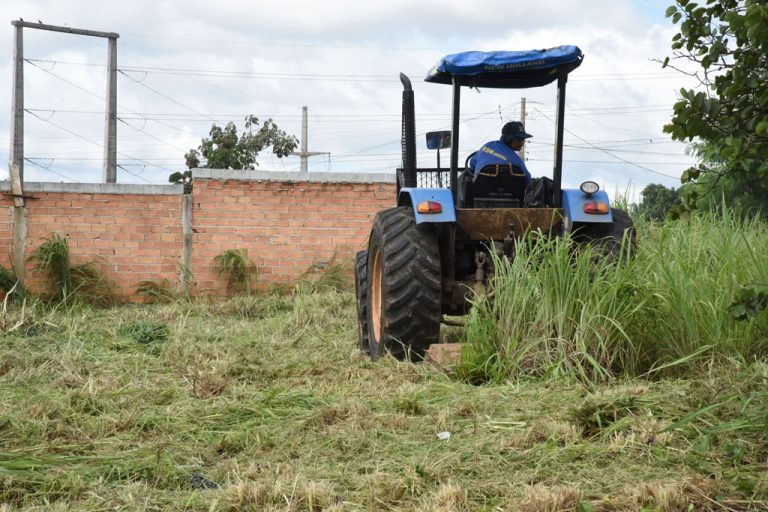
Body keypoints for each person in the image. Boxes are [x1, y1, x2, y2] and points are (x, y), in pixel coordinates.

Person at [469, 121, 532, 187]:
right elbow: (528, 181)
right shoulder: (517, 161)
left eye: (523, 140)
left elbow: (472, 164)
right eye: (519, 140)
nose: (522, 143)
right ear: (508, 139)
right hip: (510, 197)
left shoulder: (487, 146)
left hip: (479, 194)